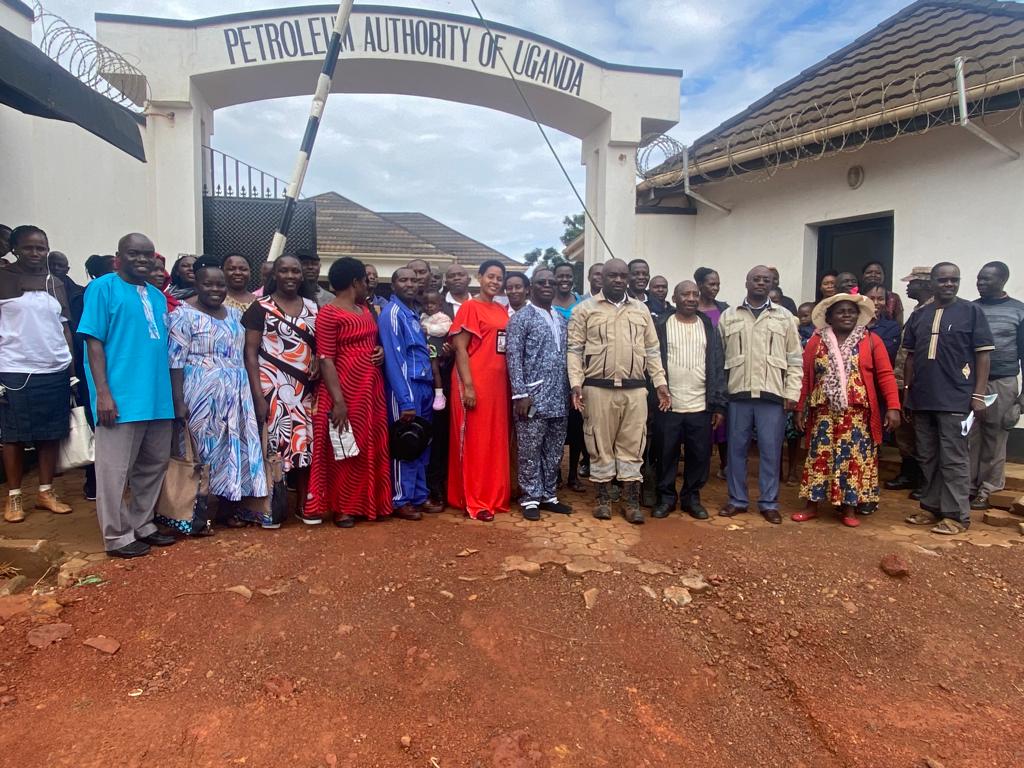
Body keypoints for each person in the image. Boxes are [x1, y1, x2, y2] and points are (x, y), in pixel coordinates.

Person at [79, 233, 176, 557]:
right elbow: (93, 342)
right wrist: (103, 394)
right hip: (120, 399)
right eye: (135, 254)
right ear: (119, 256)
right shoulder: (102, 288)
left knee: (152, 467)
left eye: (148, 255)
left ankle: (143, 523)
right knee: (114, 471)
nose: (143, 260)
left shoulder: (158, 296)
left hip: (158, 398)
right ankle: (117, 535)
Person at [568, 259, 670, 524]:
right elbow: (575, 350)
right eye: (612, 275)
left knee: (633, 444)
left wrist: (660, 383)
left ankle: (631, 502)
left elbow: (651, 350)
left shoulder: (640, 310)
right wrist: (575, 384)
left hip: (635, 390)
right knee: (599, 445)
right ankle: (603, 500)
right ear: (601, 278)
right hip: (597, 388)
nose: (618, 280)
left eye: (622, 276)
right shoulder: (584, 310)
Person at [168, 257, 266, 527]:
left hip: (236, 391)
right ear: (196, 284)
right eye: (208, 284)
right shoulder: (182, 315)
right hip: (200, 393)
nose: (215, 289)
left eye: (220, 284)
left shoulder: (236, 315)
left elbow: (246, 353)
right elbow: (175, 362)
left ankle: (226, 508)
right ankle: (196, 512)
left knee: (230, 448)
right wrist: (178, 400)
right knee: (202, 450)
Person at [792, 294, 901, 527]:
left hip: (858, 415)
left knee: (853, 460)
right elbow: (805, 377)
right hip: (823, 413)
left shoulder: (871, 340)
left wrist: (893, 406)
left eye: (851, 311)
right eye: (840, 311)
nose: (846, 315)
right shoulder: (816, 342)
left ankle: (849, 509)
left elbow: (885, 375)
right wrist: (799, 407)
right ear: (829, 317)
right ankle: (811, 506)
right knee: (819, 457)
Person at [903, 262, 993, 535]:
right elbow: (909, 357)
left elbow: (983, 355)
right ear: (932, 283)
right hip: (922, 398)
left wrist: (978, 394)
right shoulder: (920, 315)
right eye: (943, 280)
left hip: (956, 398)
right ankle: (930, 508)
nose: (949, 284)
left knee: (954, 459)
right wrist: (908, 392)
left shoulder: (971, 312)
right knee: (928, 456)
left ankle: (956, 516)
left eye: (954, 280)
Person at [306, 257, 392, 527]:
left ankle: (370, 503)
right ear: (356, 281)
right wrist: (339, 401)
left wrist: (378, 350)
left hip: (371, 388)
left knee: (368, 444)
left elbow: (373, 340)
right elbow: (326, 358)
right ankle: (344, 507)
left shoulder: (364, 309)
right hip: (344, 388)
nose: (368, 285)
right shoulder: (329, 313)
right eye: (365, 280)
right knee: (344, 449)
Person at [0, 226, 75, 523]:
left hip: (53, 366)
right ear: (15, 248)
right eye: (29, 248)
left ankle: (46, 491)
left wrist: (70, 370)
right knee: (13, 436)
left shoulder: (54, 282)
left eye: (41, 248)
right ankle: (15, 496)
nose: (36, 253)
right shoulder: (3, 279)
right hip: (15, 367)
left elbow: (65, 326)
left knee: (51, 432)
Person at [718, 265, 803, 525]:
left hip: (772, 395)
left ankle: (768, 502)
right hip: (738, 394)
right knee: (736, 451)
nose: (761, 283)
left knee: (770, 451)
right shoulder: (729, 316)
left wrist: (792, 393)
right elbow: (719, 358)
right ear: (747, 282)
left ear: (771, 284)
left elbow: (794, 359)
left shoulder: (785, 317)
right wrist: (720, 397)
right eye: (756, 279)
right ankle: (737, 500)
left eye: (766, 280)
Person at [242, 255, 319, 521]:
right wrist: (257, 395)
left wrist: (318, 362)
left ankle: (304, 504)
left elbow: (318, 346)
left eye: (294, 271)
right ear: (274, 274)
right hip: (272, 388)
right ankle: (273, 507)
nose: (289, 276)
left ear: (301, 275)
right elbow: (250, 353)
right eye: (283, 270)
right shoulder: (259, 307)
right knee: (275, 447)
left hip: (304, 390)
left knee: (305, 445)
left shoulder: (312, 306)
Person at [652, 280, 726, 520]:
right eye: (685, 294)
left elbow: (717, 364)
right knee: (665, 454)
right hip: (668, 404)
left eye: (695, 294)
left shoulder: (707, 325)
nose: (692, 298)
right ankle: (666, 498)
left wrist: (717, 404)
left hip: (700, 404)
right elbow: (652, 360)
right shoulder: (661, 324)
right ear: (675, 298)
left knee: (699, 455)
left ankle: (691, 498)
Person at [505, 268, 572, 521]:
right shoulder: (521, 318)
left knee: (554, 449)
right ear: (531, 286)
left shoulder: (560, 318)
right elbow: (513, 357)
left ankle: (548, 494)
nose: (547, 285)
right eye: (542, 282)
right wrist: (520, 394)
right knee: (530, 449)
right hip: (532, 398)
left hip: (559, 396)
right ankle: (530, 497)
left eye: (551, 282)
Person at [448, 260, 512, 521]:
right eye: (490, 277)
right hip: (474, 381)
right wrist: (469, 386)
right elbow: (460, 347)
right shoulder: (469, 307)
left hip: (498, 384)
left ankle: (493, 495)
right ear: (480, 277)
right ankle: (474, 500)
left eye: (499, 278)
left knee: (493, 441)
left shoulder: (500, 309)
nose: (494, 282)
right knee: (475, 442)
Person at [379, 266, 442, 521]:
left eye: (413, 280)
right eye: (402, 280)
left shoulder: (413, 313)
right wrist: (405, 400)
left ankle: (417, 494)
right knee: (404, 442)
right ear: (393, 285)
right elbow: (394, 360)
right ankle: (400, 498)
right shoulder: (392, 314)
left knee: (420, 442)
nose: (409, 284)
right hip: (405, 389)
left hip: (424, 386)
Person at [970, 261, 1024, 511]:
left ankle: (988, 489)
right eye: (979, 279)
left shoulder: (1018, 311)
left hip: (1002, 381)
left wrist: (1022, 401)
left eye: (986, 279)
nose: (980, 283)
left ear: (1002, 280)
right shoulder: (970, 309)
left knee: (995, 436)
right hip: (971, 382)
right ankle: (967, 486)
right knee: (968, 435)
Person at [886, 266, 935, 495]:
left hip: (919, 383)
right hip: (902, 382)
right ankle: (909, 474)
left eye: (912, 283)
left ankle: (926, 481)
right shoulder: (917, 310)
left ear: (924, 284)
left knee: (922, 433)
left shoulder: (934, 311)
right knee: (905, 433)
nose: (907, 286)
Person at [695, 267, 730, 478]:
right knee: (703, 423)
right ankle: (702, 468)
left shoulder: (725, 310)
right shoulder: (690, 309)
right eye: (711, 284)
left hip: (721, 372)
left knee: (724, 421)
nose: (715, 288)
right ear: (700, 285)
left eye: (717, 284)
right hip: (699, 371)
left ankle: (725, 466)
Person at [420, 289, 452, 411]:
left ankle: (439, 394)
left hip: (436, 348)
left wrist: (427, 329)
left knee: (435, 369)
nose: (429, 306)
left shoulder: (442, 317)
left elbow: (444, 329)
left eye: (433, 303)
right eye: (426, 303)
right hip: (424, 349)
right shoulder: (423, 316)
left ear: (440, 304)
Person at [863, 283, 901, 364]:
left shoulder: (892, 327)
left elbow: (885, 353)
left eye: (880, 299)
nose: (876, 302)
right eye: (871, 298)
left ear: (886, 302)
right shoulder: (853, 325)